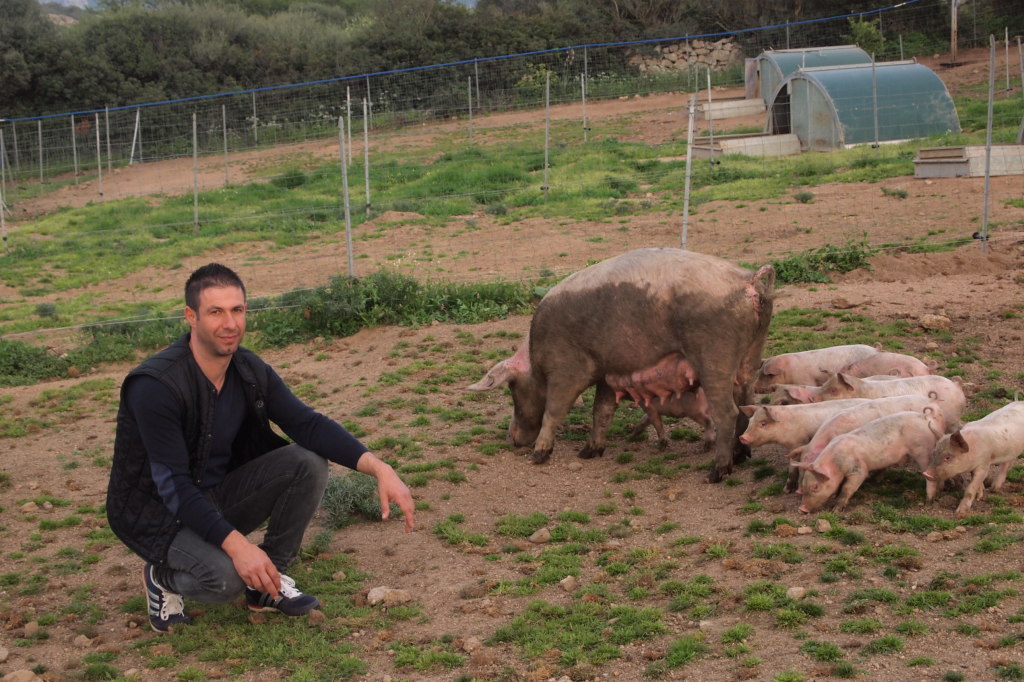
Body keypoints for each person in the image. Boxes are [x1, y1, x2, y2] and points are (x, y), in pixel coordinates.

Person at [106, 263, 415, 632]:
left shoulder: (248, 369)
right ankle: (162, 577)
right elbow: (174, 486)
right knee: (225, 580)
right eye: (215, 312)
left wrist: (380, 468)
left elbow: (307, 424)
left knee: (306, 461)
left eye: (237, 310)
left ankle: (267, 583)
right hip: (158, 514)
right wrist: (238, 548)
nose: (230, 323)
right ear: (191, 316)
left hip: (213, 495)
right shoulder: (155, 387)